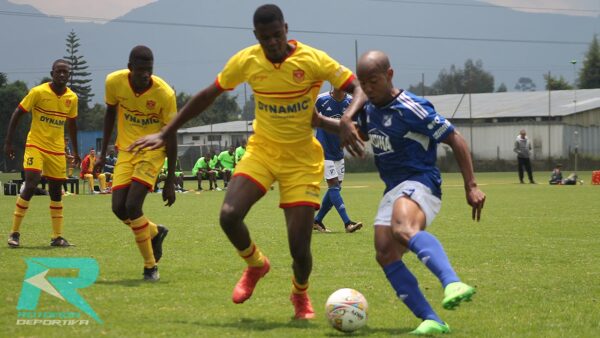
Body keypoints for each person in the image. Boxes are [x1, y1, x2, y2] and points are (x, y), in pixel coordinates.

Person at [128, 4, 367, 319]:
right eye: (265, 37)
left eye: (277, 35)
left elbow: (359, 87)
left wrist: (348, 119)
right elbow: (207, 95)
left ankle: (300, 293)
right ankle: (256, 264)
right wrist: (167, 131)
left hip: (301, 159)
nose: (272, 43)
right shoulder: (247, 60)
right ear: (256, 36)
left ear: (286, 28)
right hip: (262, 151)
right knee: (228, 215)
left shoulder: (312, 59)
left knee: (299, 248)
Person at [339, 51, 486, 335]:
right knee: (384, 253)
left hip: (421, 181)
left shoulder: (412, 107)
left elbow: (454, 138)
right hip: (393, 187)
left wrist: (471, 186)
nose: (368, 88)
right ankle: (432, 320)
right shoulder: (368, 108)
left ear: (390, 75)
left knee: (402, 227)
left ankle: (452, 282)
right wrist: (317, 120)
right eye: (363, 83)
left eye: (374, 81)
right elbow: (360, 134)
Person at [93, 45, 177, 281]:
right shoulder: (114, 82)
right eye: (140, 70)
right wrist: (101, 154)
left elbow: (172, 136)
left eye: (149, 70)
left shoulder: (165, 94)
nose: (145, 75)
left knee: (132, 206)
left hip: (152, 152)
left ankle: (150, 267)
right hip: (126, 151)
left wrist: (170, 180)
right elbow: (110, 113)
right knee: (118, 208)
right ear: (130, 68)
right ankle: (154, 231)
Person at [4, 59, 80, 247]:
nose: (62, 75)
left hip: (56, 150)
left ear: (68, 76)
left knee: (56, 193)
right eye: (59, 71)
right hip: (35, 145)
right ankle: (14, 233)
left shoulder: (72, 98)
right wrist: (8, 142)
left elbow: (72, 125)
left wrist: (77, 152)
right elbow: (18, 113)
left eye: (65, 72)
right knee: (31, 183)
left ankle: (57, 237)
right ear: (52, 73)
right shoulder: (38, 92)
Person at [313, 88, 363, 233]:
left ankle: (317, 221)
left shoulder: (350, 102)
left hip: (338, 152)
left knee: (335, 188)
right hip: (323, 151)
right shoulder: (321, 100)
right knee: (334, 185)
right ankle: (348, 223)